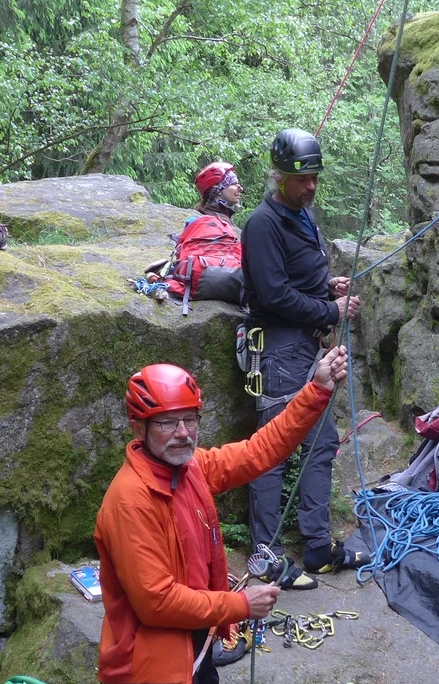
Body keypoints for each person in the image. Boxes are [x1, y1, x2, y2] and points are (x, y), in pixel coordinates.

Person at [93, 345, 350, 684]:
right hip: (151, 666)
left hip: (194, 643)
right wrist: (240, 604)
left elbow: (259, 451)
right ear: (139, 428)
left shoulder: (190, 468)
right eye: (167, 422)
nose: (182, 432)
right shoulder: (131, 502)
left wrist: (317, 390)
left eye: (190, 419)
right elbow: (157, 602)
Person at [239, 127, 366, 591]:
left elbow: (296, 278)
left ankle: (316, 547)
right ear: (279, 176)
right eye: (301, 178)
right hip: (278, 349)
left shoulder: (302, 215)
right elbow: (272, 294)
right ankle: (266, 555)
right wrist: (330, 310)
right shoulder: (263, 224)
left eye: (315, 177)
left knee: (320, 442)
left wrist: (326, 287)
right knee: (272, 448)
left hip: (307, 346)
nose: (311, 186)